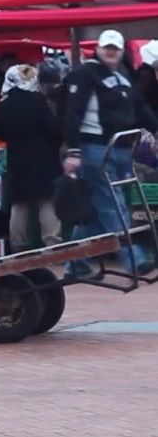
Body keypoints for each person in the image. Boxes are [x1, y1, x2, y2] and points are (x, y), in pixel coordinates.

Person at [63, 30, 158, 278]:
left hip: (121, 150)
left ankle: (75, 264)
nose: (111, 52)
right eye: (107, 47)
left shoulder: (123, 77)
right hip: (96, 149)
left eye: (115, 48)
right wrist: (73, 151)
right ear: (98, 48)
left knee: (96, 213)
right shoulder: (84, 75)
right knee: (112, 205)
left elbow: (140, 108)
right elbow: (73, 113)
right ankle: (133, 260)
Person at [0, 65, 63, 253]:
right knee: (46, 201)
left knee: (19, 204)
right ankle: (51, 242)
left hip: (17, 159)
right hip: (44, 158)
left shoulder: (5, 104)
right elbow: (53, 128)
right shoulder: (37, 100)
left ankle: (18, 245)